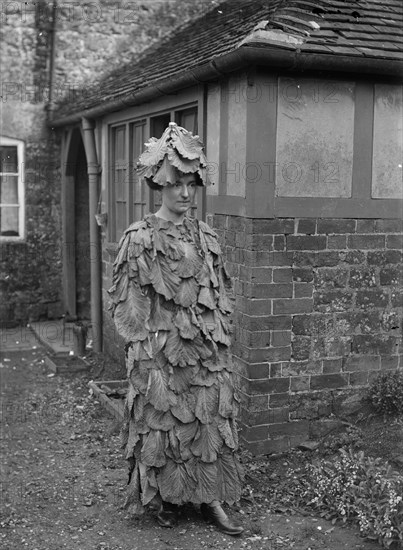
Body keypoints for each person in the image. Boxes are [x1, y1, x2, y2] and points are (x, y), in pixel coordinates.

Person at [108, 123, 244, 536]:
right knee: (161, 424)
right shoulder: (139, 237)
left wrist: (219, 339)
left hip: (205, 348)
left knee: (209, 421)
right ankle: (165, 496)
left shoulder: (207, 237)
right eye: (177, 185)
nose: (185, 193)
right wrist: (144, 349)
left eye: (191, 185)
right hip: (161, 350)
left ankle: (211, 499)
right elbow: (127, 303)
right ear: (159, 186)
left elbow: (221, 293)